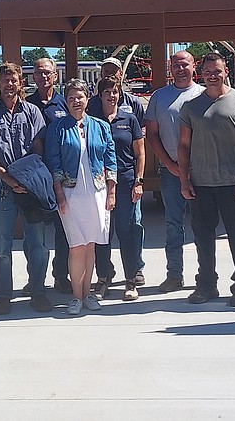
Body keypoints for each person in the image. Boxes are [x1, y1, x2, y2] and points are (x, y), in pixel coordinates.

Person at [178, 52, 235, 307]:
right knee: (203, 237)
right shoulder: (191, 106)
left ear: (226, 72)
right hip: (201, 184)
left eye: (217, 71)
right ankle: (206, 285)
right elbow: (183, 146)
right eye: (208, 72)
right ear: (201, 74)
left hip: (233, 183)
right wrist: (184, 179)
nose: (213, 76)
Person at [0, 62, 52, 315]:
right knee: (2, 247)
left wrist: (27, 178)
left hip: (31, 188)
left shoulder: (32, 112)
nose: (9, 85)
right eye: (5, 80)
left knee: (38, 245)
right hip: (3, 189)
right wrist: (9, 179)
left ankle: (38, 292)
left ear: (21, 83)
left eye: (14, 80)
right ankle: (3, 296)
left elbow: (39, 147)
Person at [44, 79, 117, 315]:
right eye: (71, 97)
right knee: (76, 245)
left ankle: (88, 294)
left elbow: (110, 159)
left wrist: (111, 191)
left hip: (96, 192)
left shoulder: (101, 126)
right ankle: (76, 296)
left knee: (91, 245)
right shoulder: (57, 128)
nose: (76, 101)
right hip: (71, 193)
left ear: (87, 99)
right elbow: (53, 163)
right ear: (66, 101)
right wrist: (60, 196)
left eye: (80, 97)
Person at [144, 50, 205, 292]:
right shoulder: (160, 97)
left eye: (184, 64)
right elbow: (152, 134)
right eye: (175, 65)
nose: (180, 69)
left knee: (202, 225)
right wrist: (169, 164)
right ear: (170, 68)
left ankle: (205, 276)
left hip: (202, 172)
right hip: (170, 172)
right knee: (173, 225)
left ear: (194, 66)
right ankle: (174, 275)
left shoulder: (204, 94)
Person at [90, 75, 146, 301]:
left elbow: (140, 153)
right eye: (107, 92)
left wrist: (139, 181)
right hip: (99, 185)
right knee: (103, 234)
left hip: (126, 183)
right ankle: (103, 278)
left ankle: (131, 280)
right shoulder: (92, 120)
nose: (111, 96)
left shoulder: (129, 119)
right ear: (100, 96)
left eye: (115, 92)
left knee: (127, 232)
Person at [25, 57, 73, 295]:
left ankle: (60, 276)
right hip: (34, 179)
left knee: (62, 231)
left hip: (59, 178)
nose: (43, 76)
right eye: (39, 73)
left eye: (48, 73)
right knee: (33, 233)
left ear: (55, 76)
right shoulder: (25, 105)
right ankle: (33, 278)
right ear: (33, 76)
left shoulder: (64, 105)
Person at [87, 57, 146, 125]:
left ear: (121, 74)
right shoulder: (91, 103)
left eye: (113, 72)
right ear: (101, 74)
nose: (109, 75)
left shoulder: (133, 102)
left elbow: (142, 127)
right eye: (106, 71)